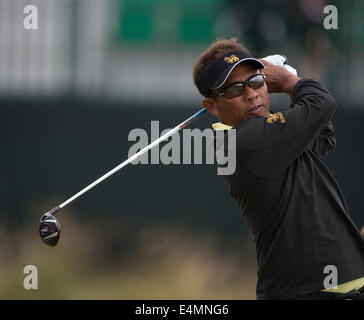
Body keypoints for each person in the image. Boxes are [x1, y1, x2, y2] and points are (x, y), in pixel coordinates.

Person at [192, 38, 364, 300]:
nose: (251, 94)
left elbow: (322, 136)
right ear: (212, 106)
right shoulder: (242, 142)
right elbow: (322, 104)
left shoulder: (268, 138)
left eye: (256, 82)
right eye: (234, 90)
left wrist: (293, 85)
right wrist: (287, 82)